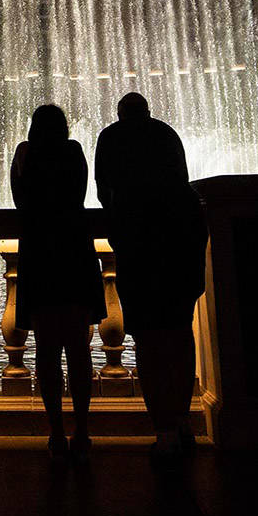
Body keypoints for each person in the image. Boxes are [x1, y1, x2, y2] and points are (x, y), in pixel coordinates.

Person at [95, 92, 207, 462]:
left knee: (147, 340)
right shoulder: (166, 134)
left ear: (120, 115)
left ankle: (164, 430)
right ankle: (183, 420)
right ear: (149, 113)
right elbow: (184, 181)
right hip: (180, 250)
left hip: (138, 251)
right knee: (179, 335)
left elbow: (104, 194)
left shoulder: (111, 138)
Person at [10, 104, 106, 461]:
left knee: (47, 351)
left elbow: (20, 200)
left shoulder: (24, 153)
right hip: (75, 250)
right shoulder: (74, 150)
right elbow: (81, 193)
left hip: (38, 251)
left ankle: (56, 434)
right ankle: (82, 431)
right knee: (79, 349)